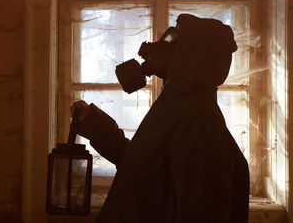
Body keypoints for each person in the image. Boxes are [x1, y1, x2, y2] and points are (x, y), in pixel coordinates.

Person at [71, 14, 250, 223]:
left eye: (172, 39)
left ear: (193, 56)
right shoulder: (177, 107)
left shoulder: (200, 123)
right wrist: (98, 128)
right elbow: (146, 170)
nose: (157, 46)